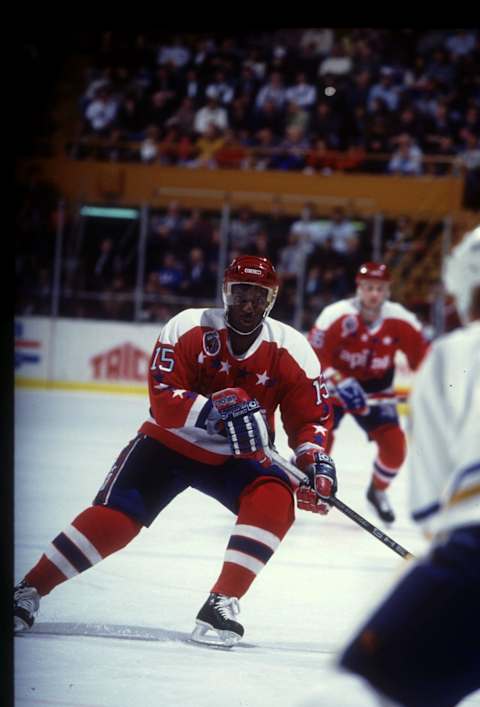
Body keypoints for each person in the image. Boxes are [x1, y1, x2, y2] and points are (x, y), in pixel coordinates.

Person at [14, 255, 337, 647]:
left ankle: (221, 602)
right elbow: (163, 401)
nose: (249, 304)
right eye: (241, 293)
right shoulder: (188, 326)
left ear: (271, 299)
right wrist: (217, 410)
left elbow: (310, 421)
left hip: (239, 457)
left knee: (275, 498)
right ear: (225, 292)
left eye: (259, 296)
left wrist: (314, 461)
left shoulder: (292, 348)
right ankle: (28, 590)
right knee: (116, 518)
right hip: (170, 442)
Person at [336, 226, 480, 706]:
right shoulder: (336, 317)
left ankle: (371, 487)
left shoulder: (453, 351)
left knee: (359, 692)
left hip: (473, 550)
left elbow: (431, 500)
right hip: (341, 397)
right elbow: (315, 365)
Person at [308, 261, 430, 523]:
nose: (374, 293)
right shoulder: (335, 314)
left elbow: (423, 360)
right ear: (359, 288)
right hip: (335, 387)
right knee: (320, 436)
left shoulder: (401, 319)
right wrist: (337, 380)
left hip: (377, 390)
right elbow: (314, 354)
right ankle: (316, 483)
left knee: (395, 448)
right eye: (369, 287)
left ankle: (378, 491)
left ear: (387, 290)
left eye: (379, 288)